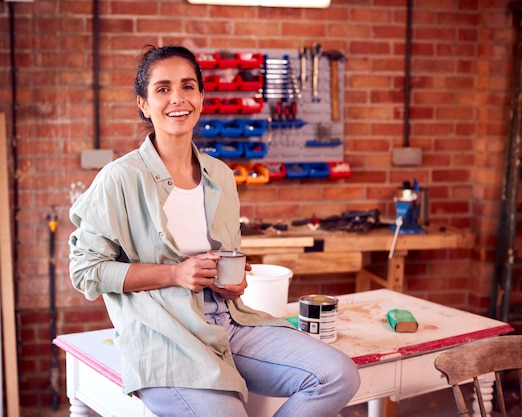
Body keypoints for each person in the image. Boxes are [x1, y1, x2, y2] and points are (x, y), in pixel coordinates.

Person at [68, 45, 360, 417]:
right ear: (143, 103)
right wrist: (175, 273)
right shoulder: (120, 178)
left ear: (202, 98)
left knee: (338, 375)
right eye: (163, 89)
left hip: (230, 322)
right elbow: (85, 271)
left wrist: (231, 282)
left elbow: (225, 260)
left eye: (188, 87)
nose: (178, 98)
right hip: (165, 336)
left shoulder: (220, 174)